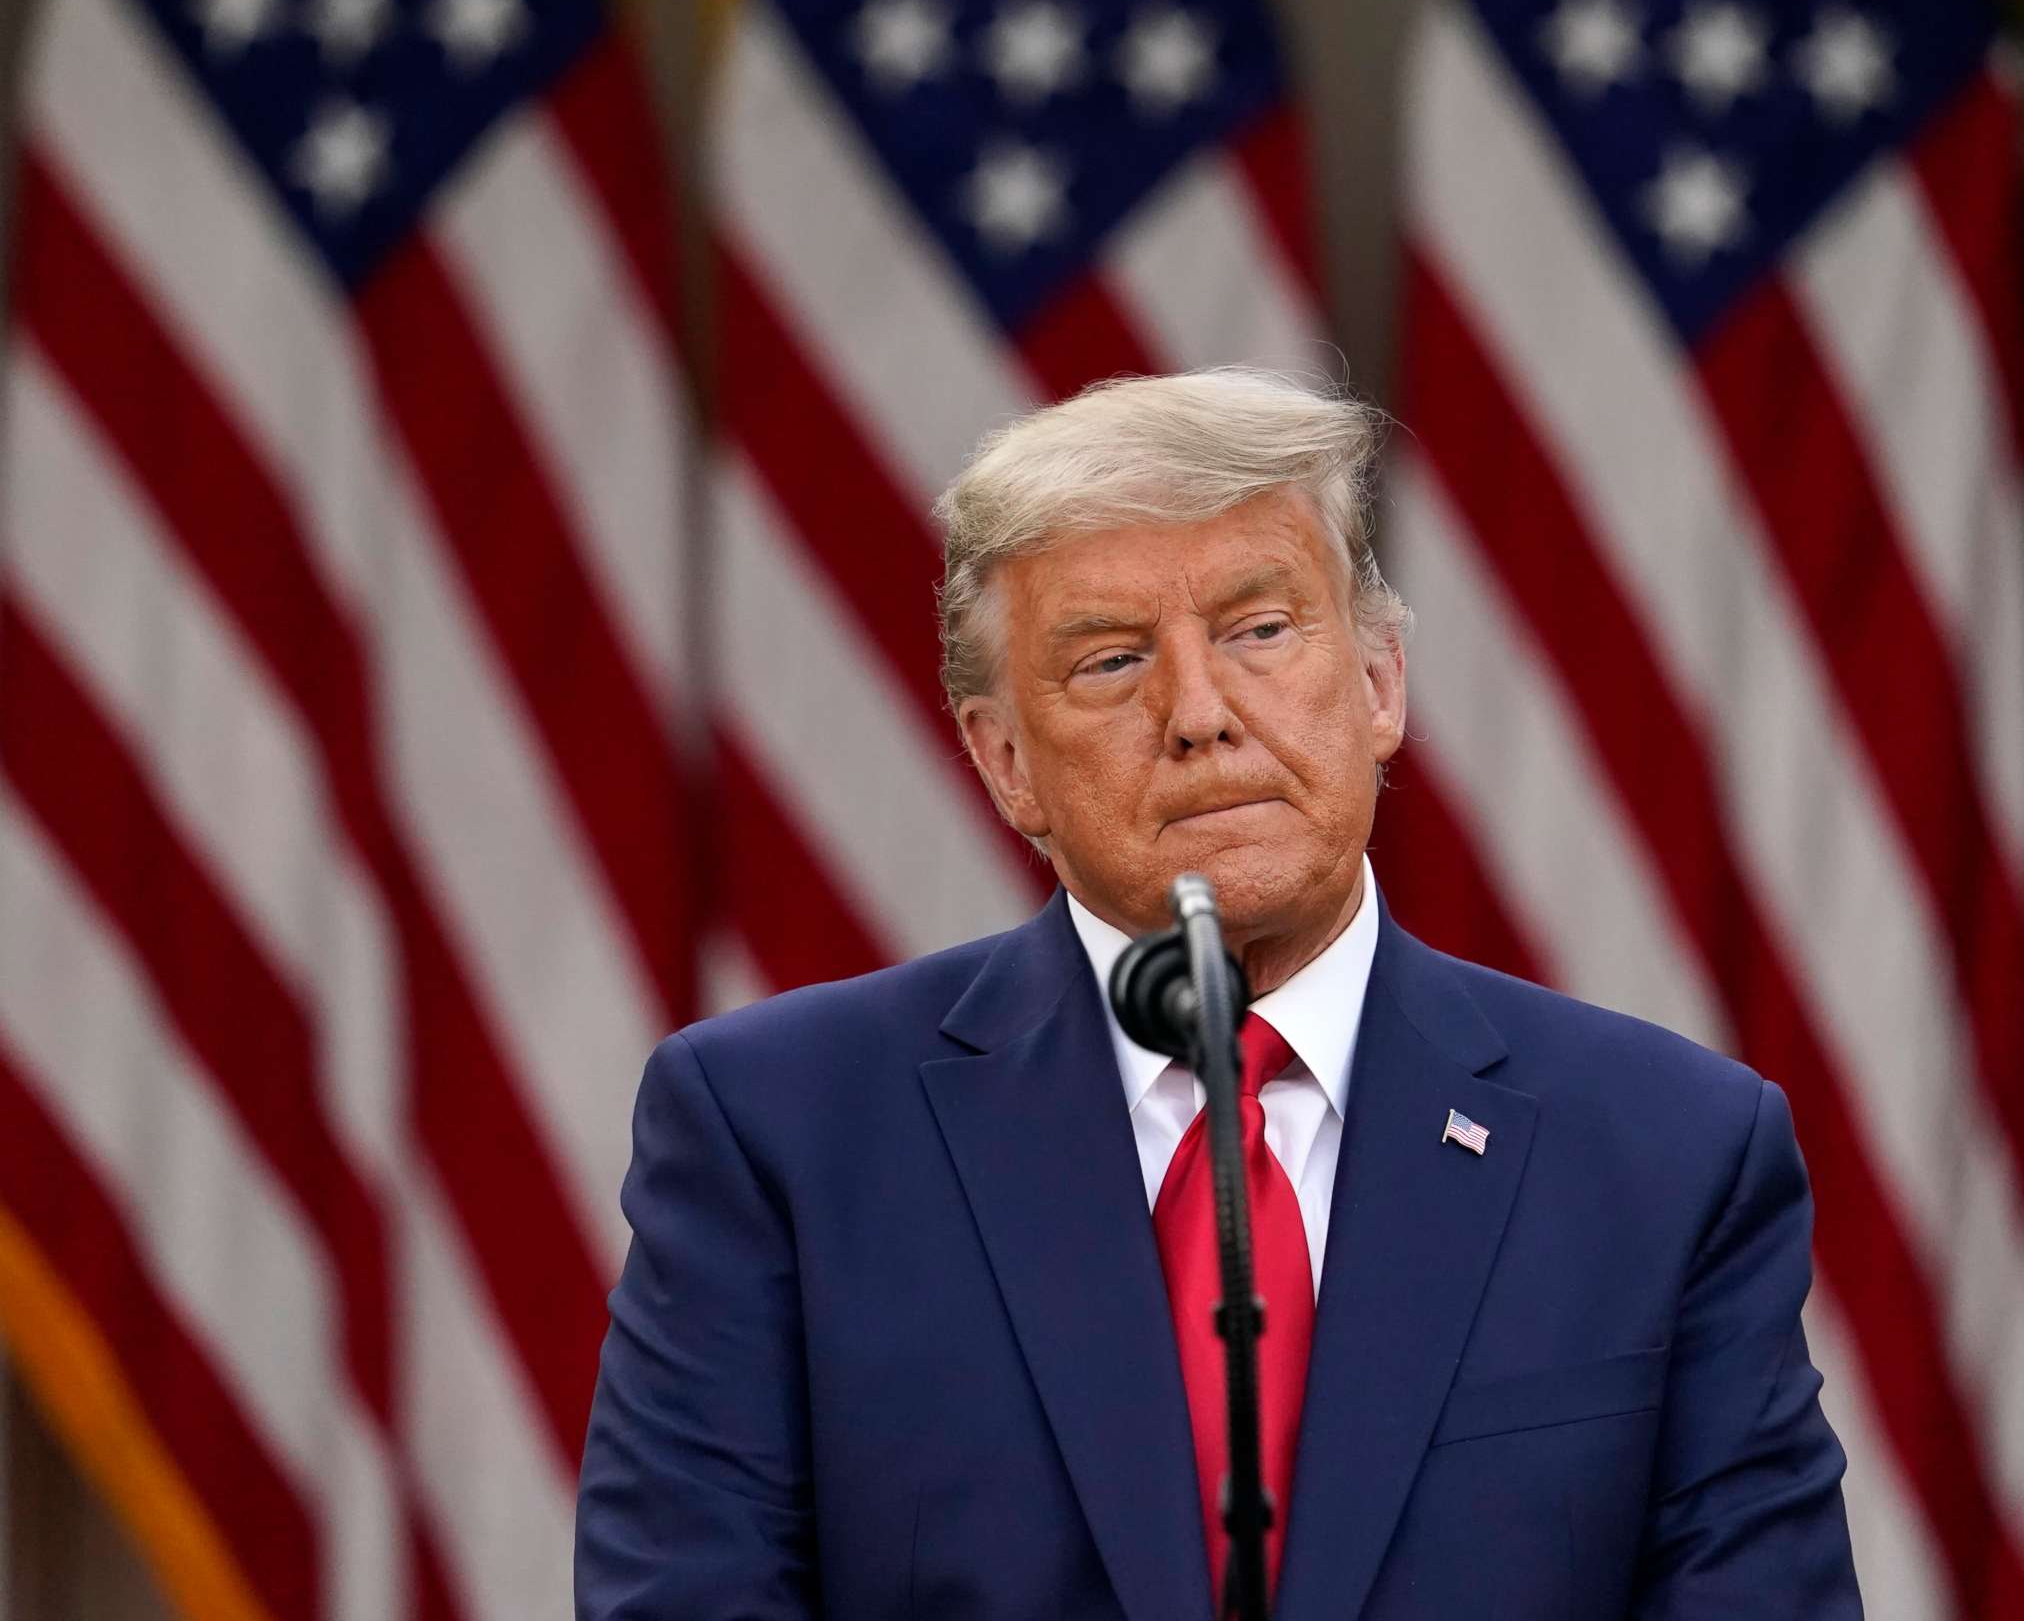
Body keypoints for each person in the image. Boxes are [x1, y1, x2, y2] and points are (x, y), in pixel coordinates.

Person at [574, 370, 1860, 1618]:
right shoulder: (777, 1136)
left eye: (1258, 631)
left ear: (1377, 684)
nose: (1200, 714)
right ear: (1006, 759)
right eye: (1111, 661)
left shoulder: (1669, 1153)